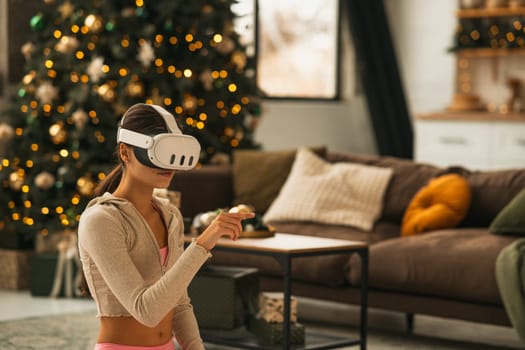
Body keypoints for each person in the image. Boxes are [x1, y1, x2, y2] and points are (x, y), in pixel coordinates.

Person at [78, 103, 254, 350]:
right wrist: (203, 243)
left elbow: (179, 302)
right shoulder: (101, 220)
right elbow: (146, 310)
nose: (168, 164)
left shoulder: (170, 214)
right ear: (125, 152)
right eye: (158, 152)